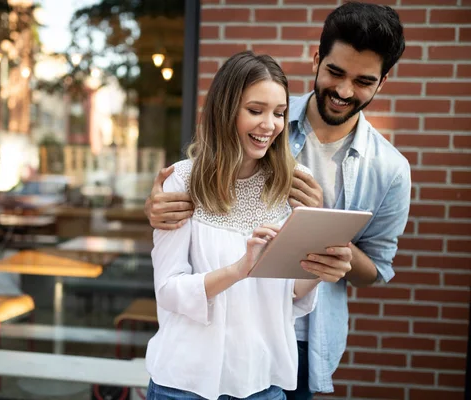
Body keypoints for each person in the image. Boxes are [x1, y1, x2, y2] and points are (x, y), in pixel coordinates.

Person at [144, 2, 411, 399]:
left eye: (363, 81)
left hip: (290, 345)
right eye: (335, 72)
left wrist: (330, 246)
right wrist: (157, 206)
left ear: (382, 81)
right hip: (199, 359)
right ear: (316, 58)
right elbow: (200, 185)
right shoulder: (268, 118)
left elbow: (374, 268)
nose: (343, 90)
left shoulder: (388, 169)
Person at [145, 51, 353, 400]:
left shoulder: (295, 183)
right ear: (225, 111)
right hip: (184, 383)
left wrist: (321, 268)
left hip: (261, 382)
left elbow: (288, 293)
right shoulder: (182, 181)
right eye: (255, 111)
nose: (269, 125)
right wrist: (240, 269)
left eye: (279, 113)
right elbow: (168, 289)